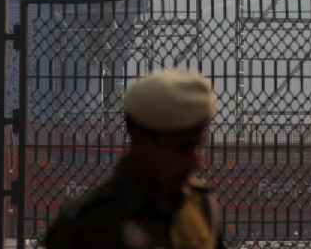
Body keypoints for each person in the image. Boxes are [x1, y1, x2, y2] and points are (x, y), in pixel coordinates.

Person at [44, 69, 226, 249]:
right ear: (141, 140)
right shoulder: (87, 227)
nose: (195, 162)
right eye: (181, 148)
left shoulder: (200, 208)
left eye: (198, 147)